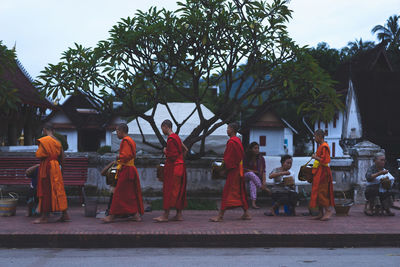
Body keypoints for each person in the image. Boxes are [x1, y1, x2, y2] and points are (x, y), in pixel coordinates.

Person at [102, 123, 144, 223]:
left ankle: (112, 216)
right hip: (130, 169)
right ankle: (136, 215)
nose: (116, 133)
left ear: (121, 131)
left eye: (117, 131)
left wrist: (118, 157)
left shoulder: (126, 141)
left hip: (127, 169)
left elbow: (126, 156)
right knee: (129, 194)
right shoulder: (131, 141)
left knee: (118, 193)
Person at [210, 122, 250, 222]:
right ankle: (246, 213)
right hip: (239, 170)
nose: (227, 130)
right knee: (240, 191)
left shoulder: (232, 142)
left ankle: (220, 216)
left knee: (227, 192)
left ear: (232, 130)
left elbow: (229, 158)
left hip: (233, 171)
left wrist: (224, 169)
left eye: (228, 128)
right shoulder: (238, 141)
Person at [33, 123, 70, 224]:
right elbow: (63, 157)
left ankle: (44, 217)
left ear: (44, 130)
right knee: (58, 189)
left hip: (47, 167)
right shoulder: (58, 141)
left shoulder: (44, 141)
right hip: (56, 167)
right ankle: (64, 214)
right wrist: (62, 169)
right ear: (53, 130)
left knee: (45, 191)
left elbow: (39, 155)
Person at [153, 119, 188, 222]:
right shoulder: (176, 137)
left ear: (165, 127)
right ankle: (179, 215)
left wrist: (165, 151)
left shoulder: (171, 138)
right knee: (179, 191)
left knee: (169, 190)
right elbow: (185, 149)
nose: (162, 131)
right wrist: (181, 160)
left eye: (162, 128)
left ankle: (165, 215)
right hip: (180, 167)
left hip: (174, 168)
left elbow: (172, 156)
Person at [309, 129, 335, 221]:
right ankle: (320, 213)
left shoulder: (324, 146)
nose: (314, 138)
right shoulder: (321, 146)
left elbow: (326, 160)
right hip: (319, 171)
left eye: (315, 136)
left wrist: (315, 157)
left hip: (323, 172)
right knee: (317, 191)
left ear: (319, 137)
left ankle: (328, 211)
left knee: (322, 191)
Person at [243, 142, 269, 209]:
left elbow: (263, 171)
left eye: (258, 148)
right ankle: (263, 188)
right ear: (251, 149)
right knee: (251, 174)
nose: (257, 150)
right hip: (245, 175)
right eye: (255, 148)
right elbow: (244, 169)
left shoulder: (261, 159)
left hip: (256, 178)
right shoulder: (246, 157)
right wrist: (254, 171)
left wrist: (264, 182)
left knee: (252, 182)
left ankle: (253, 203)